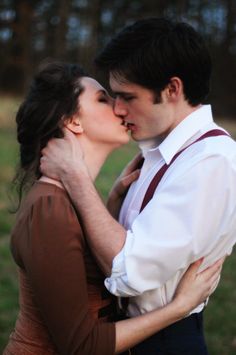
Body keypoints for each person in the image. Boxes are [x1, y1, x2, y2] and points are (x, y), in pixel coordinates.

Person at [40, 18, 236, 355]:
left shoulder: (210, 161)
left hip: (165, 343)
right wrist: (115, 195)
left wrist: (75, 177)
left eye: (127, 96)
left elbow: (128, 271)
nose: (118, 109)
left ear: (172, 89)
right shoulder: (164, 151)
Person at [3, 61, 223, 355]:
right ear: (72, 121)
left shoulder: (65, 199)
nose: (120, 108)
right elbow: (82, 345)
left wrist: (113, 201)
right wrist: (178, 308)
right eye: (103, 99)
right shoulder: (48, 208)